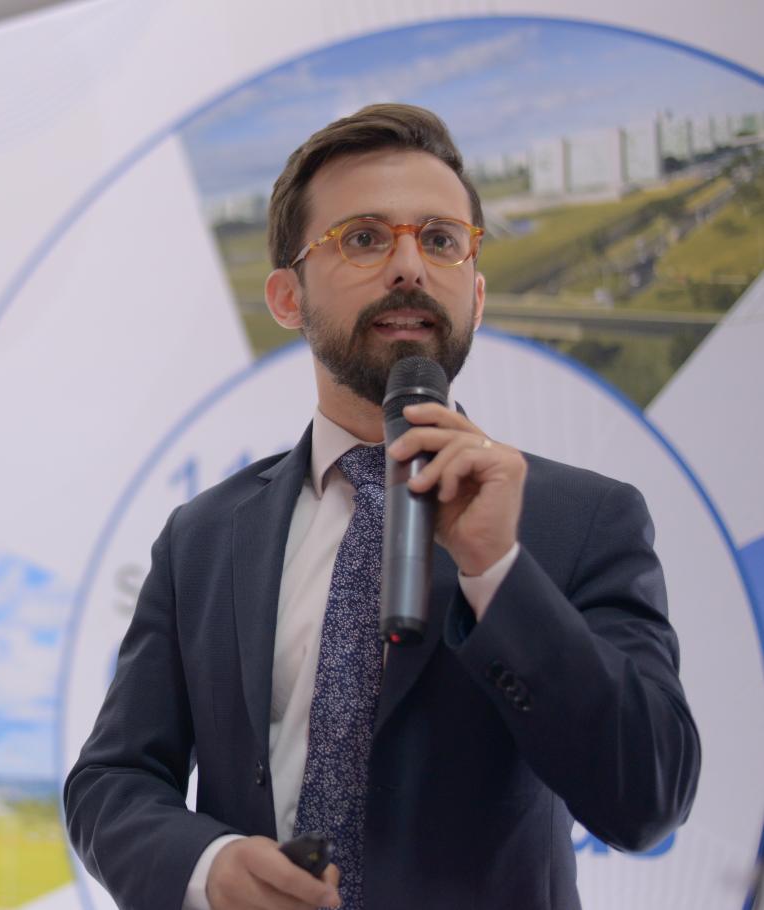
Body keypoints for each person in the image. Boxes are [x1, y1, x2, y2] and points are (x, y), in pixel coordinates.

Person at [63, 104, 700, 910]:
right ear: (287, 296)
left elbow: (648, 798)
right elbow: (111, 782)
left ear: (476, 294)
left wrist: (496, 571)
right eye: (364, 238)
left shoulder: (583, 520)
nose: (409, 267)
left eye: (440, 240)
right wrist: (209, 866)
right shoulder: (204, 538)